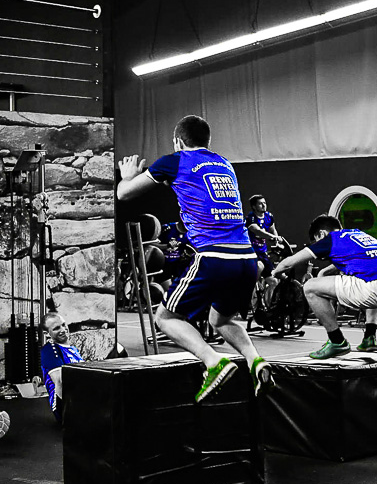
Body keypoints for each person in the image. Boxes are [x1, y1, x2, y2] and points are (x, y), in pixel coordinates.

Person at [116, 114, 273, 402]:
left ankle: (213, 362)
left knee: (164, 318)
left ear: (177, 141)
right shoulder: (225, 164)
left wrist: (127, 177)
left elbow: (124, 194)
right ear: (208, 142)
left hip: (214, 257)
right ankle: (255, 360)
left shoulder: (174, 161)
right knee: (220, 320)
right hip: (248, 259)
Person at [271, 214, 377, 357]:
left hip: (376, 289)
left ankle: (337, 341)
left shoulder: (329, 239)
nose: (317, 244)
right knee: (366, 276)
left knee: (310, 287)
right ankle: (370, 337)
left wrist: (275, 272)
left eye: (316, 240)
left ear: (321, 234)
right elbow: (358, 258)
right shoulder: (357, 234)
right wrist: (325, 271)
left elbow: (289, 262)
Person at [39, 312, 83, 426]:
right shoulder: (50, 350)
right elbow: (60, 381)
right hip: (66, 409)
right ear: (46, 333)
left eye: (63, 325)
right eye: (56, 328)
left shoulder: (73, 349)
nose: (63, 329)